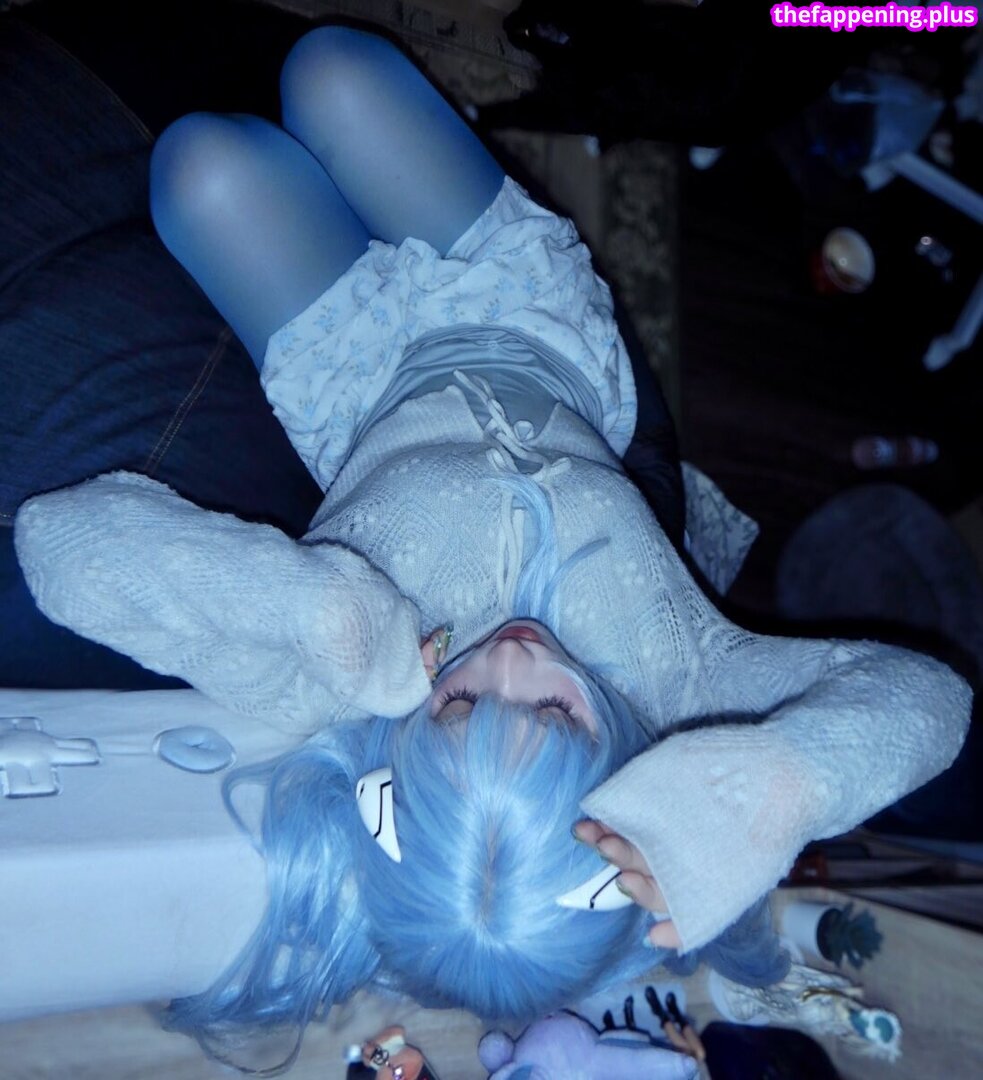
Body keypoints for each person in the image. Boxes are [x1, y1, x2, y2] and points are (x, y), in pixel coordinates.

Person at [12, 23, 971, 1067]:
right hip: (530, 318)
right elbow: (930, 703)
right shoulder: (682, 690)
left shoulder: (333, 698)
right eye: (555, 715)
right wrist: (772, 787)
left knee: (203, 166)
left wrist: (315, 609)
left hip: (352, 372)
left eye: (461, 707)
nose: (512, 659)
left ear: (388, 792)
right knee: (333, 71)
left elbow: (61, 547)